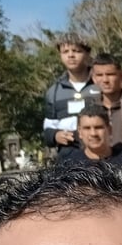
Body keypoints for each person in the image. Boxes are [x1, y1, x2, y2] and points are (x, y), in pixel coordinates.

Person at [43, 32, 100, 160]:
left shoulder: (100, 84)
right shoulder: (53, 92)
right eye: (65, 52)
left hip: (99, 154)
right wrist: (55, 135)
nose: (71, 55)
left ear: (87, 54)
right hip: (68, 157)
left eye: (76, 51)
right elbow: (47, 129)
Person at [57, 103, 122, 167]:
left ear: (109, 130)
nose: (93, 133)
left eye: (98, 127)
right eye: (87, 128)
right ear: (80, 132)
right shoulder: (70, 165)